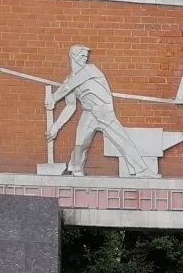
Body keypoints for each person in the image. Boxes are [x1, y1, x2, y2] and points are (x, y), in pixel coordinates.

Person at [47, 45, 154, 178]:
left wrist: (54, 98)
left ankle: (142, 170)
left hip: (103, 111)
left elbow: (71, 85)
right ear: (73, 55)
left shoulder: (90, 70)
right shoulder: (68, 81)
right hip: (88, 113)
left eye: (86, 56)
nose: (85, 58)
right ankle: (75, 169)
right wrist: (55, 128)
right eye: (82, 55)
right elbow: (70, 106)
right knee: (80, 143)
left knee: (121, 140)